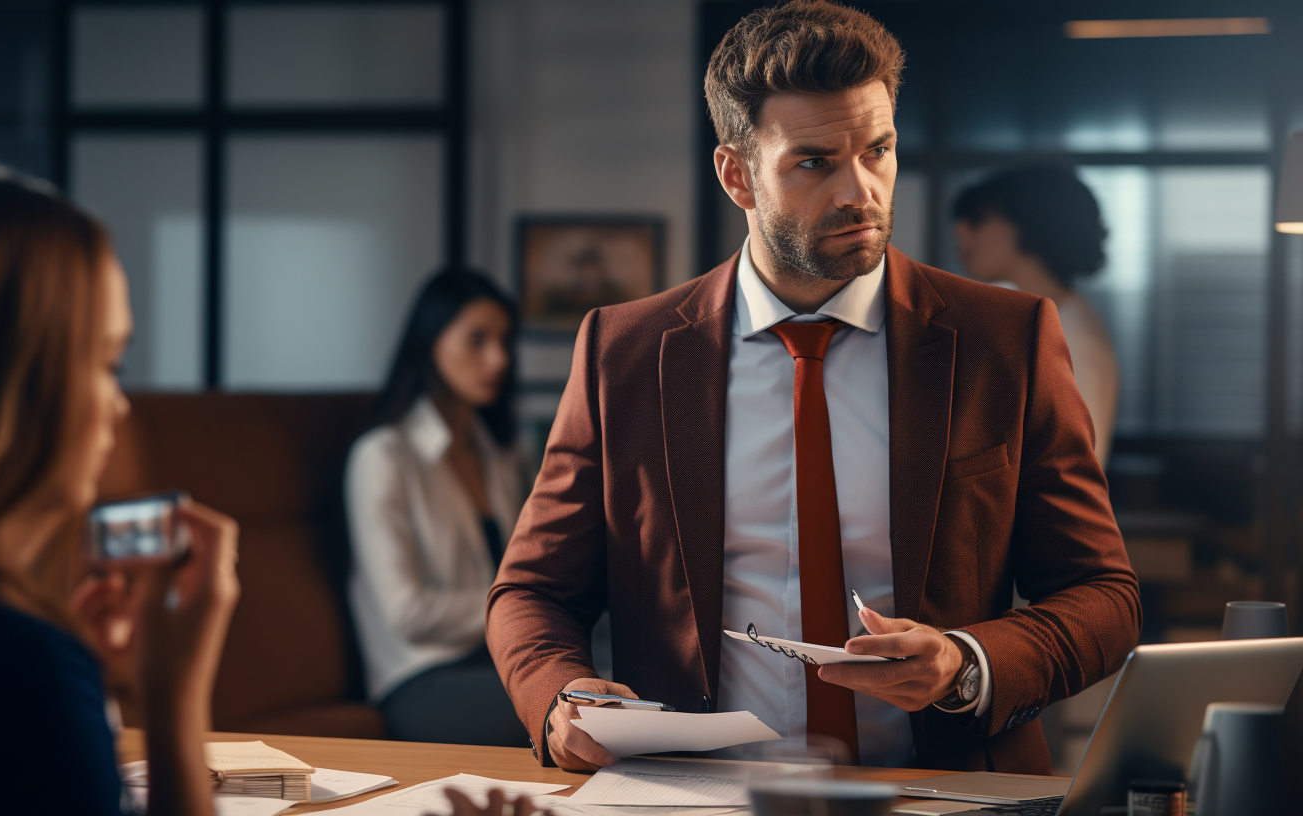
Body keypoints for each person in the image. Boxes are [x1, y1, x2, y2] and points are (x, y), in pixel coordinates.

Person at [487, 0, 1139, 775]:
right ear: (737, 174)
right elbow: (530, 590)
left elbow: (1103, 594)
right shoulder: (623, 353)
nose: (858, 191)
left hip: (943, 787)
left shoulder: (1007, 339)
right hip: (696, 794)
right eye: (814, 162)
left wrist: (964, 662)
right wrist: (560, 698)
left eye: (878, 150)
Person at [0, 155, 240, 815]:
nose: (120, 406)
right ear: (7, 387)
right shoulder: (19, 675)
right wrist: (172, 699)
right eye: (105, 362)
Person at [346, 269, 528, 747]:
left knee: (640, 677)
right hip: (422, 681)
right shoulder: (383, 456)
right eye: (477, 340)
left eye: (504, 340)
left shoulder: (500, 454)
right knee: (592, 708)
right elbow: (406, 612)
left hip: (501, 659)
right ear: (430, 342)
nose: (498, 358)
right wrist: (518, 607)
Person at [952, 166, 1119, 464]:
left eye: (977, 219)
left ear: (1027, 223)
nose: (960, 231)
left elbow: (1068, 470)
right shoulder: (1038, 320)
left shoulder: (1069, 334)